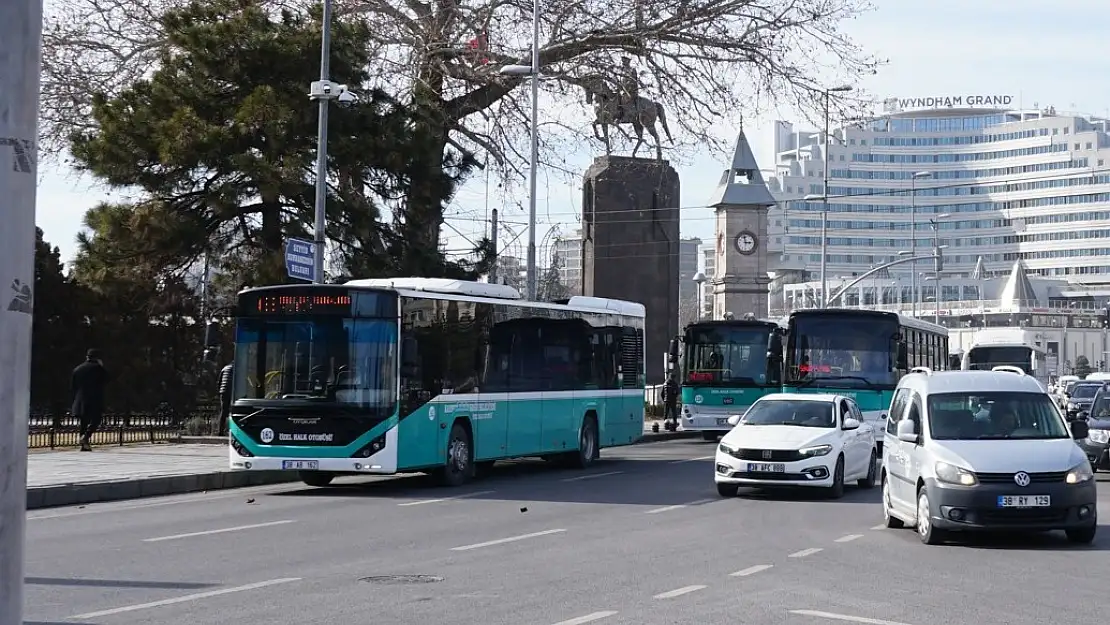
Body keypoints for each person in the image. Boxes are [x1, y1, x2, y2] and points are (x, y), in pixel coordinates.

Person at [71, 348, 109, 452]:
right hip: (94, 398)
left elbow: (73, 386)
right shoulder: (98, 368)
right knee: (96, 419)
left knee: (84, 421)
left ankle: (84, 445)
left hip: (81, 399)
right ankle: (86, 436)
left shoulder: (78, 369)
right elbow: (106, 380)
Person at [217, 361, 234, 436]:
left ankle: (220, 432)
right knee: (234, 411)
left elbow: (219, 382)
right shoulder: (236, 368)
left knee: (223, 412)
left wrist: (220, 391)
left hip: (223, 391)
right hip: (232, 391)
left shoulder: (224, 368)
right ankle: (233, 431)